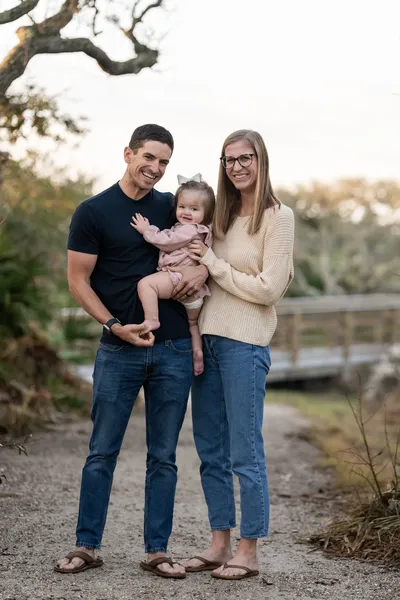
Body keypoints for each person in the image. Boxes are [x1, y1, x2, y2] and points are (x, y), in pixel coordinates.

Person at [55, 124, 208, 579]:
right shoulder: (93, 211)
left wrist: (201, 273)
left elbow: (207, 242)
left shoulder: (175, 206)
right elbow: (77, 280)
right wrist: (114, 326)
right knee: (102, 450)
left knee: (164, 455)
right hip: (118, 349)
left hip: (175, 347)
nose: (156, 169)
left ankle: (156, 550)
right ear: (128, 153)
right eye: (149, 157)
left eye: (164, 162)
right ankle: (87, 545)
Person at [183, 129, 294, 580]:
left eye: (245, 158)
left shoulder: (277, 216)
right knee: (210, 450)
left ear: (261, 160)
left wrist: (211, 263)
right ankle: (218, 543)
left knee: (244, 452)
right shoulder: (220, 216)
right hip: (206, 341)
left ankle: (248, 551)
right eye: (229, 160)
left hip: (245, 345)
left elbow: (269, 289)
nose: (237, 166)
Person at [131, 175, 215, 376]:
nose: (187, 212)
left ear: (206, 213)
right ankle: (197, 353)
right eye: (183, 207)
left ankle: (152, 320)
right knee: (192, 324)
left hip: (178, 279)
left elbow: (165, 241)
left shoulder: (188, 230)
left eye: (194, 209)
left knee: (146, 285)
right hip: (195, 294)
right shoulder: (202, 230)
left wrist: (146, 230)